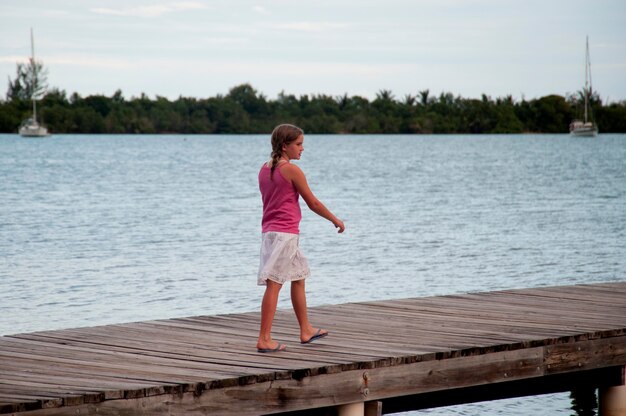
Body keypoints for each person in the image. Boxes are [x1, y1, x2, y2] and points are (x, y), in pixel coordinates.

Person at [256, 124, 345, 353]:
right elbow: (312, 202)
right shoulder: (292, 171)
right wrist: (334, 219)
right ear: (285, 146)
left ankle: (305, 329)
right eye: (298, 144)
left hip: (272, 234)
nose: (302, 149)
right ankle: (264, 338)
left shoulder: (264, 169)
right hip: (284, 235)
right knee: (274, 285)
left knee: (300, 276)